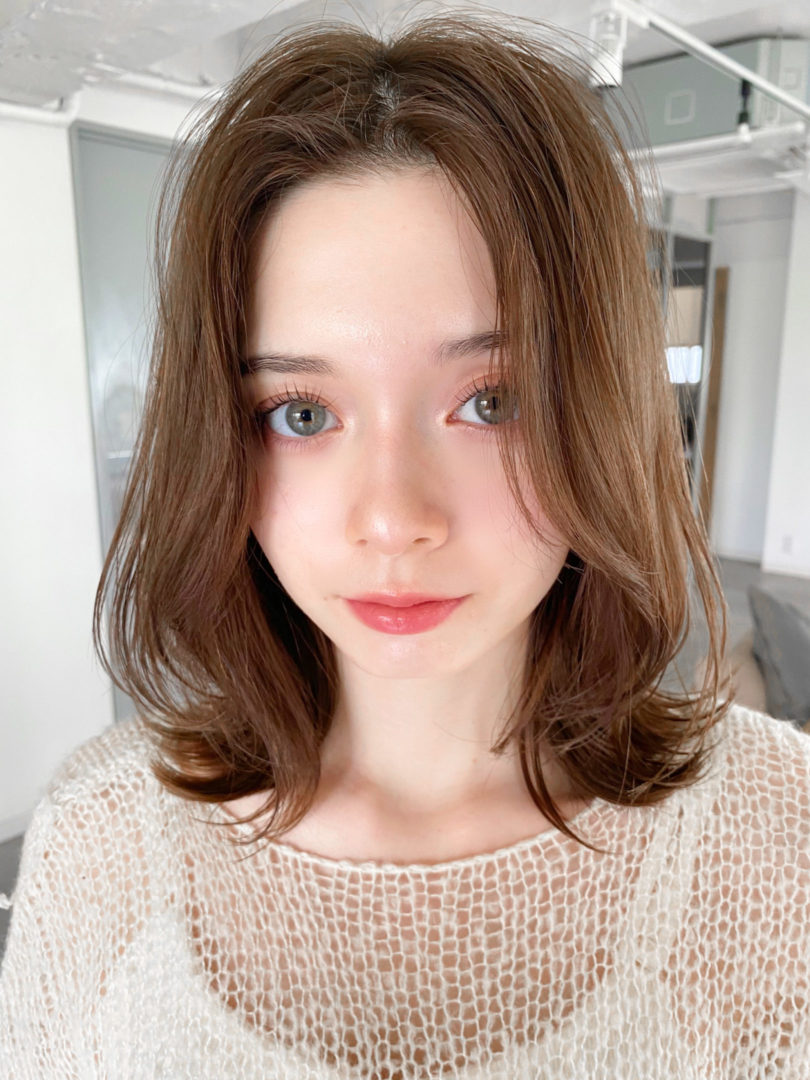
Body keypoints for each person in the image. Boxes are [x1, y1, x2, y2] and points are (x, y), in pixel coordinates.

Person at [2, 10, 809, 1077]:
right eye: (301, 413)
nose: (391, 518)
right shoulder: (96, 841)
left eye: (492, 401)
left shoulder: (781, 841)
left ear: (602, 414)